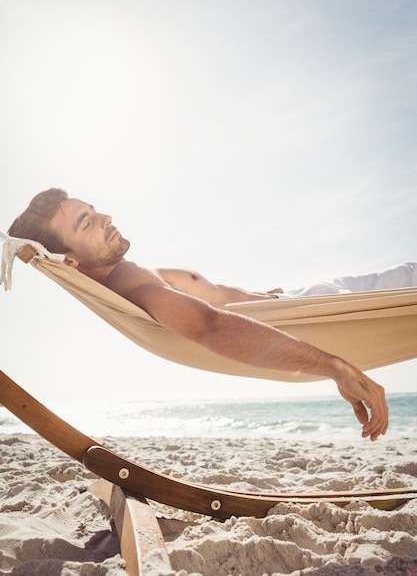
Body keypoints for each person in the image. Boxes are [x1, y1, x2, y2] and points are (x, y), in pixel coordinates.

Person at [10, 188, 408, 442]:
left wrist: (266, 298)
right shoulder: (136, 287)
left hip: (301, 304)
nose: (106, 217)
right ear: (70, 261)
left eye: (94, 210)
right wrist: (335, 366)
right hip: (319, 309)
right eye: (87, 222)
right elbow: (212, 327)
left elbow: (217, 308)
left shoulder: (125, 277)